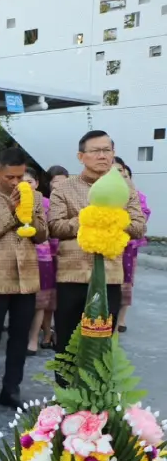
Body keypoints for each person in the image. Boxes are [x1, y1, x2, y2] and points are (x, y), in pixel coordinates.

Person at [48, 131, 146, 359]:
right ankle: (66, 394)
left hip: (109, 278)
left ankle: (95, 394)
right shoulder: (64, 188)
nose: (102, 156)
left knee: (100, 346)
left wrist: (111, 218)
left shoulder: (126, 188)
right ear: (81, 156)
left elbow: (139, 226)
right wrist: (88, 217)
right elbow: (55, 227)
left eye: (107, 150)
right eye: (95, 151)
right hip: (72, 277)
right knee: (67, 343)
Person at [0, 148, 47, 415]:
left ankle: (11, 389)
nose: (16, 183)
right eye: (10, 177)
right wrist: (11, 211)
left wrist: (31, 214)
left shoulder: (35, 196)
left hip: (26, 278)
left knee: (19, 337)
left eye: (20, 177)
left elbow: (41, 235)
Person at [27, 166, 65, 354]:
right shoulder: (10, 201)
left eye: (29, 182)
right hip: (21, 257)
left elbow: (53, 232)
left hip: (45, 257)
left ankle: (39, 337)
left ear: (37, 183)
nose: (26, 185)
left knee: (44, 301)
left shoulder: (46, 203)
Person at [113, 158, 150, 333]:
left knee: (126, 282)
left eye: (123, 172)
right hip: (106, 245)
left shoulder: (136, 196)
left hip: (128, 247)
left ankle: (121, 318)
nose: (120, 175)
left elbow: (142, 218)